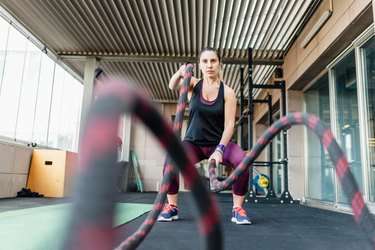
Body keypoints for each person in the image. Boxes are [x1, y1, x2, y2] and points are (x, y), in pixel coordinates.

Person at [157, 47, 251, 224]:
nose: (210, 65)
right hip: (194, 143)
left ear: (219, 64)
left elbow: (230, 124)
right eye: (205, 61)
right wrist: (180, 72)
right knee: (171, 160)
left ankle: (238, 209)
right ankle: (172, 207)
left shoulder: (228, 92)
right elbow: (172, 85)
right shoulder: (192, 84)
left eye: (213, 61)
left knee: (242, 162)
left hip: (219, 143)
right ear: (200, 65)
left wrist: (220, 150)